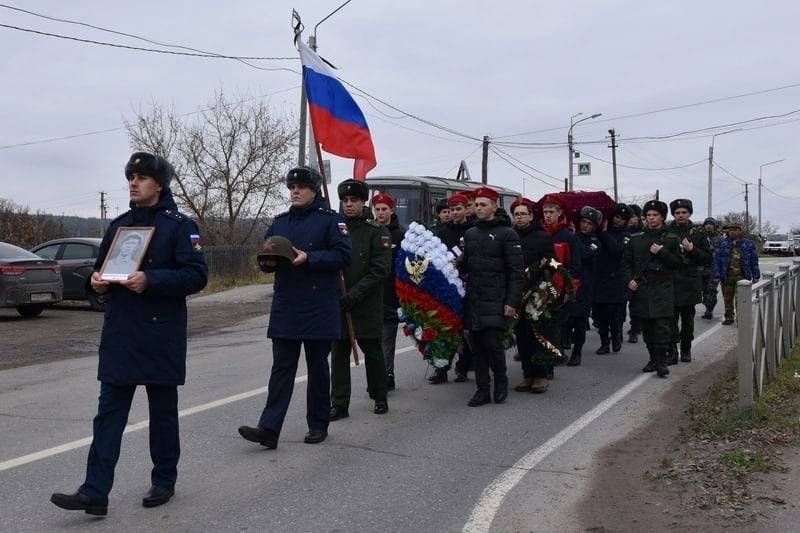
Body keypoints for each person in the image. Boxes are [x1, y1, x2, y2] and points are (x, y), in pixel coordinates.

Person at [51, 152, 208, 515]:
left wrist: (151, 279)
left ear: (159, 184)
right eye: (130, 178)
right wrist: (95, 283)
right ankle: (94, 492)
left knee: (162, 414)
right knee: (108, 415)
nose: (133, 183)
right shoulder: (119, 227)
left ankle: (164, 479)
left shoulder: (180, 227)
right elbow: (102, 272)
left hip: (160, 333)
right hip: (121, 333)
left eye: (141, 178)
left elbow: (197, 275)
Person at [238, 166, 352, 449]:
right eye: (291, 187)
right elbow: (267, 253)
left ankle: (318, 424)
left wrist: (310, 258)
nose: (295, 191)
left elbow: (343, 255)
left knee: (317, 369)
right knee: (281, 370)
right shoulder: (280, 223)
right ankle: (269, 428)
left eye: (301, 186)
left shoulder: (331, 221)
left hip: (318, 306)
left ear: (314, 190)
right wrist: (267, 263)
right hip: (287, 305)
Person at [329, 179, 392, 420]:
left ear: (363, 202)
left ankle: (379, 396)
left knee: (373, 352)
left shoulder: (376, 231)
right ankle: (339, 403)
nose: (348, 204)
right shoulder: (334, 229)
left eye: (353, 200)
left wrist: (355, 294)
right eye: (345, 200)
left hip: (366, 303)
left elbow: (380, 270)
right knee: (339, 354)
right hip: (339, 302)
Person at [459, 186, 524, 406]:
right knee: (477, 347)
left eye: (483, 205)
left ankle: (501, 383)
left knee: (493, 345)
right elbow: (466, 265)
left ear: (494, 207)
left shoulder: (507, 234)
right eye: (476, 205)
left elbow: (516, 272)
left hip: (497, 298)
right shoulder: (470, 234)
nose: (478, 208)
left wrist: (512, 302)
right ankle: (482, 390)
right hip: (475, 299)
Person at [622, 200, 682, 378]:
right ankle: (653, 359)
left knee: (662, 327)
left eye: (655, 215)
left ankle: (662, 362)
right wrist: (629, 280)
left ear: (662, 217)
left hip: (663, 287)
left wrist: (662, 252)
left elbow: (678, 263)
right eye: (648, 215)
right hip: (642, 288)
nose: (651, 218)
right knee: (647, 328)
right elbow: (626, 263)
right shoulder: (635, 239)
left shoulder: (671, 239)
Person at [510, 197, 555, 393]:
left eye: (523, 214)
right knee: (521, 336)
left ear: (530, 216)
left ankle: (541, 375)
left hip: (537, 292)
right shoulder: (510, 236)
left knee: (537, 334)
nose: (519, 217)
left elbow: (554, 263)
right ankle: (527, 375)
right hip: (516, 292)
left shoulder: (542, 237)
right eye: (516, 214)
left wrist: (545, 265)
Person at [432, 192, 474, 383]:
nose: (454, 213)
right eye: (451, 209)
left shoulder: (473, 231)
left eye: (458, 209)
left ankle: (463, 366)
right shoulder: (441, 233)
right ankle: (441, 367)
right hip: (445, 285)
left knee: (465, 328)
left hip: (468, 284)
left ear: (466, 210)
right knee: (443, 327)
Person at [665, 199, 711, 364]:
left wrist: (692, 250)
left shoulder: (698, 233)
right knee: (670, 320)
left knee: (687, 320)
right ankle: (672, 351)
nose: (680, 215)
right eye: (677, 213)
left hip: (689, 282)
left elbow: (707, 258)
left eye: (684, 212)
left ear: (689, 213)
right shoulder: (666, 231)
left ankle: (686, 349)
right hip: (670, 281)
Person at [372, 192, 405, 391]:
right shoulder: (370, 231)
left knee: (387, 338)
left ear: (392, 210)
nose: (381, 213)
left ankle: (387, 375)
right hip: (372, 293)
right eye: (377, 209)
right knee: (373, 340)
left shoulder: (400, 235)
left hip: (391, 294)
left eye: (384, 209)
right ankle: (377, 375)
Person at [593, 203, 632, 354]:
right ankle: (604, 343)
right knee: (600, 314)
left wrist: (603, 234)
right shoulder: (601, 231)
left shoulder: (626, 236)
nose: (618, 220)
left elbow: (617, 249)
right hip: (599, 277)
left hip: (616, 279)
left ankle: (616, 336)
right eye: (616, 217)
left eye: (622, 218)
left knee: (613, 313)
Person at [566, 207, 602, 366]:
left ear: (594, 226)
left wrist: (574, 238)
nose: (585, 225)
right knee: (566, 318)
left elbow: (584, 254)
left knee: (580, 319)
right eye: (583, 221)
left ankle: (577, 352)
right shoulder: (571, 236)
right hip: (568, 282)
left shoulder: (595, 242)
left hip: (584, 286)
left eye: (589, 223)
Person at [713, 223, 760, 325]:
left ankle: (741, 319)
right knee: (727, 298)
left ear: (740, 231)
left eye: (735, 229)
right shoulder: (722, 243)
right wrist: (716, 275)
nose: (732, 232)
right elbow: (716, 260)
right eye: (731, 230)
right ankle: (729, 317)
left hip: (742, 276)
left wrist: (756, 276)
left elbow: (754, 261)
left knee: (741, 299)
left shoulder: (748, 244)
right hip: (727, 275)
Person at [626, 203, 644, 343]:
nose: (630, 219)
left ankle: (635, 329)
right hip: (626, 269)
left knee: (636, 303)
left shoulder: (643, 232)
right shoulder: (624, 231)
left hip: (639, 271)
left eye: (632, 216)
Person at [700, 217, 722, 319]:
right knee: (704, 290)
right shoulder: (700, 237)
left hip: (714, 268)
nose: (708, 226)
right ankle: (707, 306)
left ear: (714, 226)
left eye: (711, 224)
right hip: (701, 268)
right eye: (707, 224)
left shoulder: (720, 239)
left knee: (711, 290)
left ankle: (709, 310)